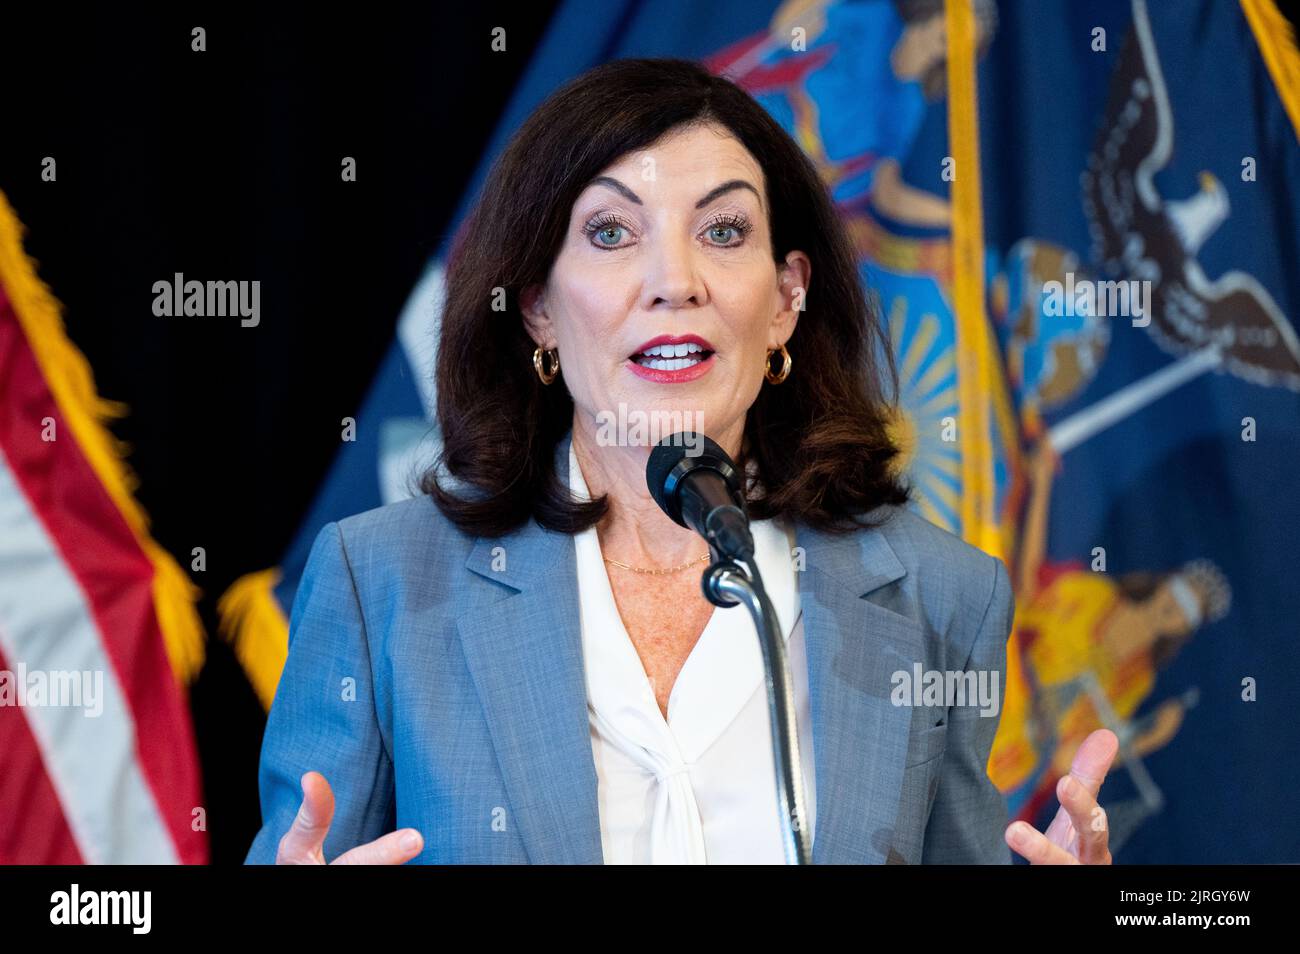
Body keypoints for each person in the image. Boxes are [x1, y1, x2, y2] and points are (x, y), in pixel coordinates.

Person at [244, 57, 1116, 865]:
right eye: (614, 232)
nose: (675, 279)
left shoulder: (941, 595)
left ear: (785, 300)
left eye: (725, 231)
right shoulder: (383, 583)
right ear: (539, 307)